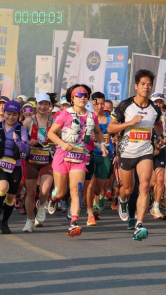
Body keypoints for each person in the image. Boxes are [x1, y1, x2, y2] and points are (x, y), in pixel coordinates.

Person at [108, 70, 166, 241]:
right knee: (127, 189)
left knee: (145, 186)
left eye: (149, 84)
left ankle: (140, 224)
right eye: (143, 84)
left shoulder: (155, 108)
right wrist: (130, 123)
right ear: (136, 86)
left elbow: (158, 124)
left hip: (145, 152)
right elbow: (111, 127)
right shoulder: (125, 105)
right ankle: (123, 201)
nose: (146, 87)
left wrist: (160, 136)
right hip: (127, 152)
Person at [48, 84, 107, 237]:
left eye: (85, 95)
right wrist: (63, 144)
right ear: (72, 98)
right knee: (61, 192)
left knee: (76, 190)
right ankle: (53, 198)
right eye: (79, 95)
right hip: (62, 156)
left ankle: (73, 223)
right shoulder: (64, 114)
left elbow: (98, 132)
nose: (82, 98)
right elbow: (51, 133)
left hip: (80, 158)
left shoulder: (91, 116)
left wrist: (102, 145)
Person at [0, 100, 30, 234]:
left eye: (14, 114)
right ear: (4, 113)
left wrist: (18, 141)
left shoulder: (21, 129)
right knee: (2, 187)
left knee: (10, 198)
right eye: (8, 113)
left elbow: (26, 149)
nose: (11, 117)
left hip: (15, 166)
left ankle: (4, 222)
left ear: (19, 115)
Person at [22, 93, 55, 232]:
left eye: (46, 104)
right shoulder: (28, 121)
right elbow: (21, 140)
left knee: (45, 189)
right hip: (31, 160)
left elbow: (61, 138)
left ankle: (41, 205)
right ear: (36, 105)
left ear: (50, 106)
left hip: (48, 159)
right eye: (40, 104)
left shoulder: (55, 122)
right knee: (30, 192)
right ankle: (29, 220)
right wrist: (28, 141)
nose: (43, 107)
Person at [86, 91, 114, 226]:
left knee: (98, 189)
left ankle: (96, 202)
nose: (100, 106)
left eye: (102, 104)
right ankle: (91, 211)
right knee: (90, 184)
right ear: (92, 103)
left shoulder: (110, 119)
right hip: (90, 154)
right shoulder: (88, 117)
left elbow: (117, 135)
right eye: (97, 104)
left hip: (105, 155)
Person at [149, 92, 166, 219]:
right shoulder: (147, 115)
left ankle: (156, 206)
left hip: (161, 150)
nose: (158, 104)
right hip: (147, 151)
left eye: (161, 102)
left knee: (160, 180)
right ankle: (146, 200)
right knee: (151, 182)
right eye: (156, 102)